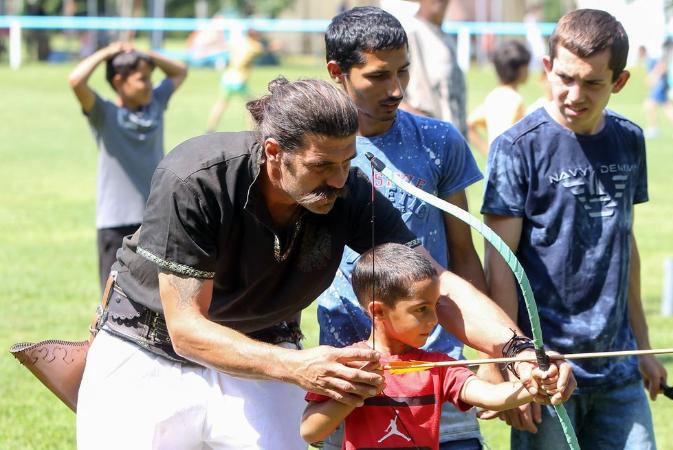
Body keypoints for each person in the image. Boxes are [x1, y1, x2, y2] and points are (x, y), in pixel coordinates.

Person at [75, 76, 574, 449]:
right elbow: (187, 328)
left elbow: (436, 283)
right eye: (322, 166)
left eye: (346, 161)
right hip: (150, 346)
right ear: (274, 153)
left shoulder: (348, 192)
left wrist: (517, 349)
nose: (339, 180)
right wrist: (297, 366)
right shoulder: (198, 178)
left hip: (266, 351)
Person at [482, 9, 667, 449]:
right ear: (547, 68)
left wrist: (644, 346)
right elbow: (500, 267)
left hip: (617, 366)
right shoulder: (515, 148)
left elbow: (625, 243)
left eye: (592, 83)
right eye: (564, 77)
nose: (574, 93)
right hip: (547, 371)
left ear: (619, 82)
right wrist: (516, 366)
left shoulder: (629, 139)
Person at [320, 7, 488, 449]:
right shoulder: (317, 154)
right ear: (337, 72)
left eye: (403, 72)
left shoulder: (439, 140)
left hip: (438, 368)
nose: (395, 89)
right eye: (377, 76)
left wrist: (492, 355)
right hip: (351, 372)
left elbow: (463, 253)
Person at [302, 243, 563, 449]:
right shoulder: (348, 365)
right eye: (421, 309)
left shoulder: (437, 366)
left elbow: (490, 396)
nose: (434, 320)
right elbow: (311, 431)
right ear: (378, 311)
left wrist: (532, 384)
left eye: (436, 305)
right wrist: (355, 392)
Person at [68, 41, 188, 291]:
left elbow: (180, 71)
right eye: (142, 79)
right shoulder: (104, 113)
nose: (148, 85)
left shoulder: (154, 104)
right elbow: (76, 81)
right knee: (113, 294)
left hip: (154, 217)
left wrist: (146, 54)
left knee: (155, 295)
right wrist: (106, 53)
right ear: (119, 82)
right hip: (116, 220)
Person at [400, 0, 467, 136]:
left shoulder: (446, 38)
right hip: (425, 140)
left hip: (451, 142)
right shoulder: (409, 33)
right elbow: (391, 99)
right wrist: (428, 125)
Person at [467, 40, 531, 155]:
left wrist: (489, 153)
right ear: (521, 70)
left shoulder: (493, 96)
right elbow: (504, 134)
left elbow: (469, 124)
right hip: (509, 167)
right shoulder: (513, 99)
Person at [205, 28, 264, 132]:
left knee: (222, 103)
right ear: (255, 36)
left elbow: (227, 47)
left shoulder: (238, 42)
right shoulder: (255, 46)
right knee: (253, 105)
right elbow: (262, 51)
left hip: (227, 77)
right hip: (239, 79)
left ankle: (210, 128)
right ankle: (251, 130)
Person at [643, 38, 673, 142]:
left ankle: (656, 129)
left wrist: (654, 76)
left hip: (661, 82)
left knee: (651, 105)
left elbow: (662, 64)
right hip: (661, 82)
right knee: (663, 105)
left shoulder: (659, 47)